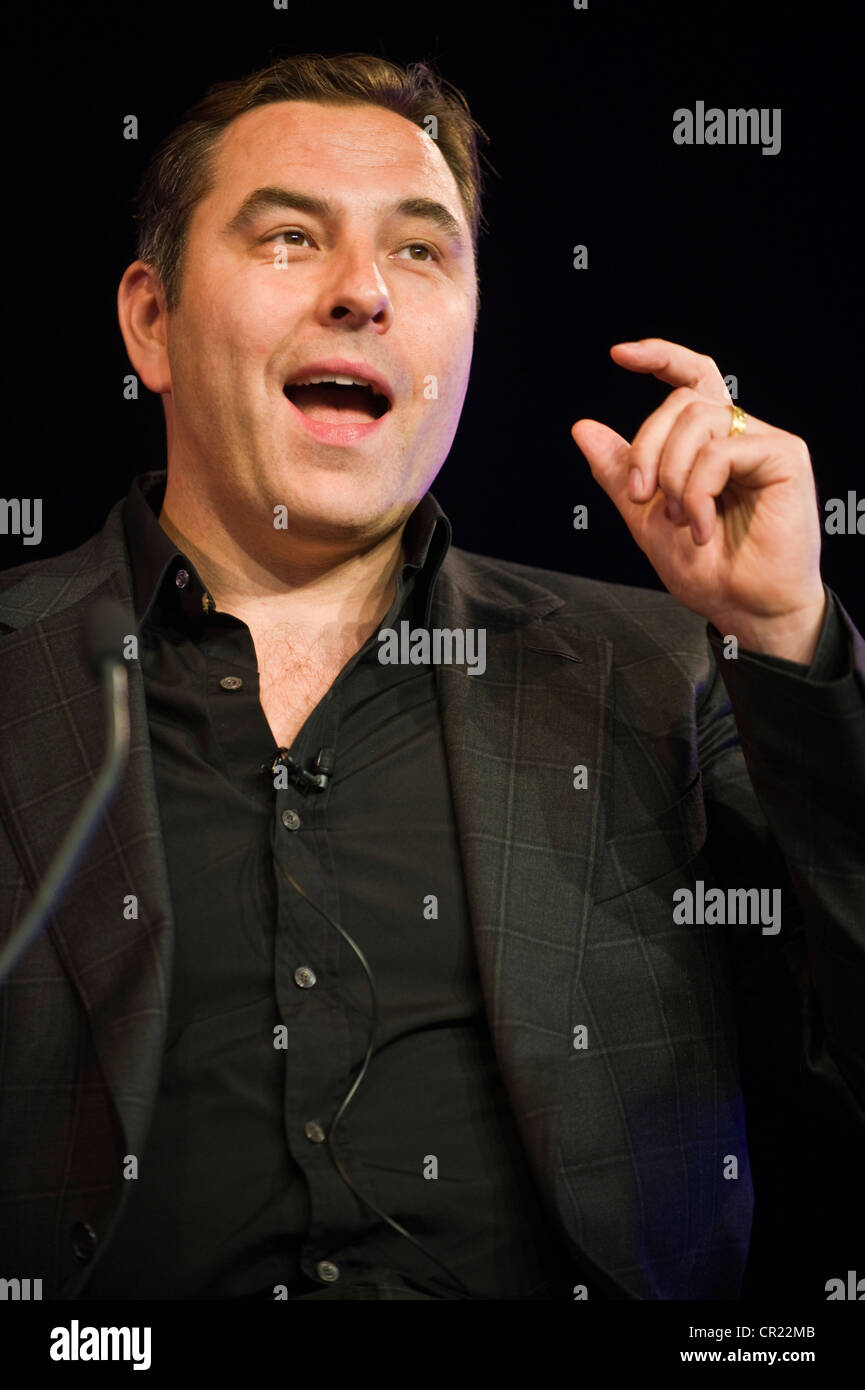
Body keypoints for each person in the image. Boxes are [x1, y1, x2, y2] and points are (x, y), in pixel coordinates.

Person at [0, 53, 862, 1302]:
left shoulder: (662, 670)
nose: (363, 293)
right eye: (291, 236)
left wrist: (788, 636)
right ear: (152, 322)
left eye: (420, 251)